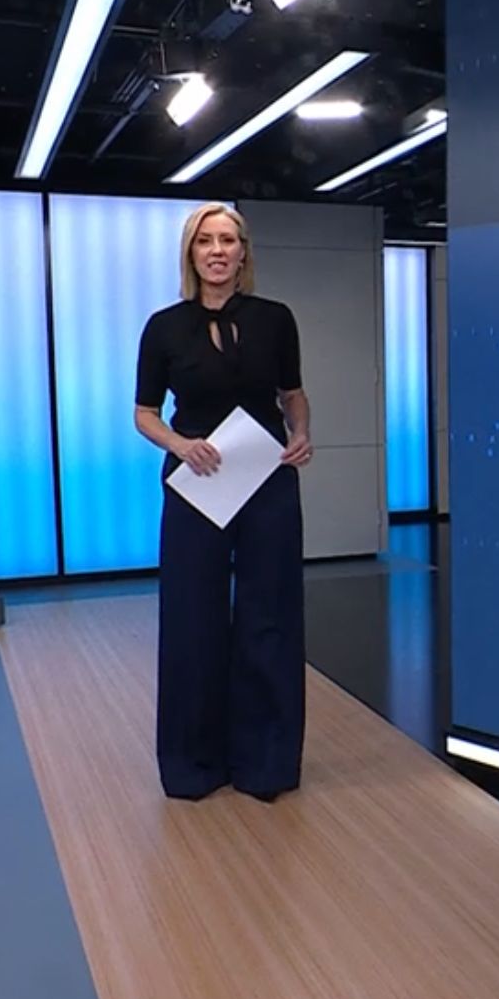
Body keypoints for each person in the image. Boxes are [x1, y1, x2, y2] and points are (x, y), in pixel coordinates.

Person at [134, 202, 314, 802]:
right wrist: (180, 445)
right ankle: (195, 763)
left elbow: (292, 394)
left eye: (228, 240)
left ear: (243, 253)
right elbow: (144, 413)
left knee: (270, 615)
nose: (217, 251)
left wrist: (301, 433)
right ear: (191, 253)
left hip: (266, 479)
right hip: (196, 481)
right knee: (193, 618)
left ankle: (266, 763)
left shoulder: (276, 319)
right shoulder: (163, 327)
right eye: (205, 241)